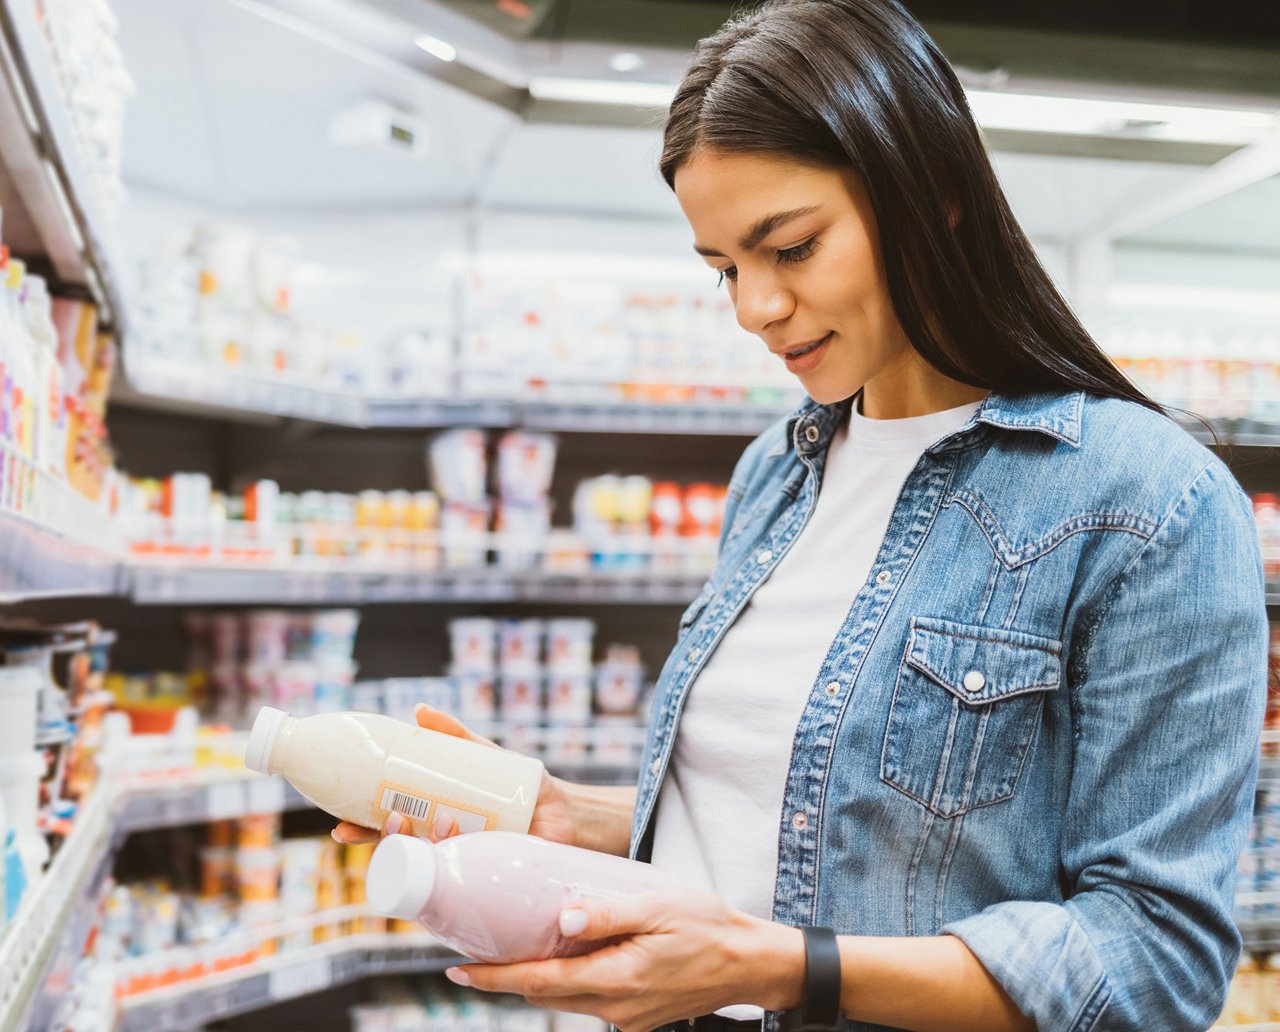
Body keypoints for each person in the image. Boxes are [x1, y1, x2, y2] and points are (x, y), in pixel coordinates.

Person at [336, 1, 1269, 1028]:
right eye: (725, 268)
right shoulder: (773, 476)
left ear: (933, 195)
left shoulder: (1148, 506)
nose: (752, 309)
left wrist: (780, 969)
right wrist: (575, 818)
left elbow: (1152, 963)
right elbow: (787, 823)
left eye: (789, 247)